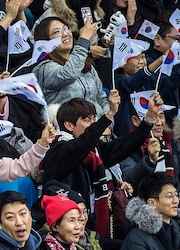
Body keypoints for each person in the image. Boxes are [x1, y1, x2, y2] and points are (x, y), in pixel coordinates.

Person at [41, 93, 158, 238]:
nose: (92, 123)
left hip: (93, 225)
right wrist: (109, 114)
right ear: (68, 125)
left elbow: (124, 145)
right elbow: (81, 144)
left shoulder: (93, 149)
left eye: (93, 119)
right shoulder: (59, 150)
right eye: (87, 120)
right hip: (68, 229)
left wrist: (149, 117)